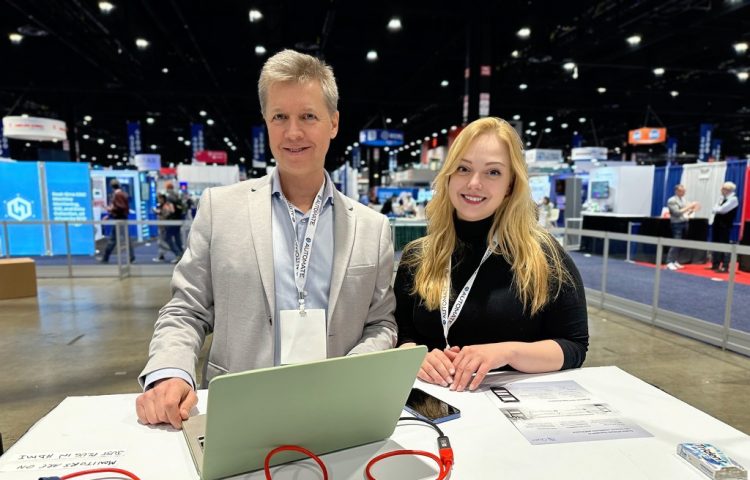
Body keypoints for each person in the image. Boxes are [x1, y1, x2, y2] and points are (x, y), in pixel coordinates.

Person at [135, 49, 397, 429]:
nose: (293, 132)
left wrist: (354, 374)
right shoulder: (220, 209)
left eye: (308, 116)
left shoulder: (372, 228)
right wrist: (169, 372)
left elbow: (381, 323)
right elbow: (186, 309)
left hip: (337, 412)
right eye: (280, 117)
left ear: (334, 123)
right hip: (240, 413)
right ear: (266, 122)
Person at [394, 117, 588, 393]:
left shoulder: (544, 256)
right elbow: (403, 333)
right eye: (463, 168)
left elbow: (574, 346)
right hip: (432, 405)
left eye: (493, 172)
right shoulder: (418, 256)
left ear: (511, 185)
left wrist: (507, 353)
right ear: (449, 176)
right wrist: (416, 355)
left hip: (511, 411)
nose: (474, 183)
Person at [100, 179, 135, 264]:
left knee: (115, 239)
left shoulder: (118, 195)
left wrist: (111, 210)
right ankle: (130, 256)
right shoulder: (121, 194)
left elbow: (121, 207)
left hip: (119, 219)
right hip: (121, 218)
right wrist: (110, 214)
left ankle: (105, 257)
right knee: (121, 238)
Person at [666, 184, 699, 270]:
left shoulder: (683, 200)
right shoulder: (672, 200)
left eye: (684, 191)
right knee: (676, 242)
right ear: (676, 191)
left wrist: (692, 210)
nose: (684, 193)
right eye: (682, 191)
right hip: (676, 223)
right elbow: (677, 212)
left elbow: (686, 211)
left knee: (681, 243)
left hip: (685, 222)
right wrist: (690, 206)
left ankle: (675, 260)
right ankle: (669, 261)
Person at [709, 181, 739, 273]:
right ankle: (715, 264)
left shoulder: (733, 199)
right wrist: (716, 209)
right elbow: (714, 208)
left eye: (723, 188)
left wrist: (716, 209)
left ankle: (725, 266)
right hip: (717, 224)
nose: (721, 190)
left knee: (725, 245)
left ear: (728, 190)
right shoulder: (722, 198)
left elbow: (722, 210)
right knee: (716, 244)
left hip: (725, 226)